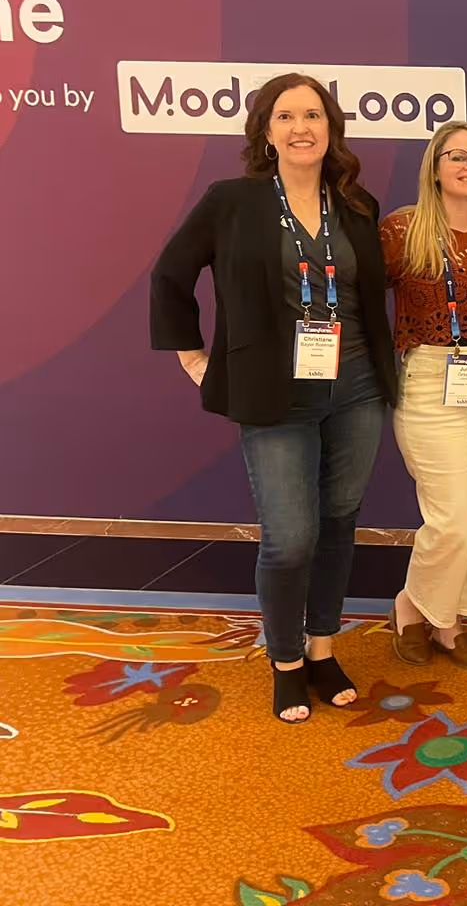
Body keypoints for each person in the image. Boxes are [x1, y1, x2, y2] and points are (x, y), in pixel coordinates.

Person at [149, 72, 397, 723]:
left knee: (339, 522)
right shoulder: (232, 200)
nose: (301, 127)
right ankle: (286, 661)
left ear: (331, 128)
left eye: (313, 114)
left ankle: (322, 649)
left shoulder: (357, 205)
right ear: (265, 130)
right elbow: (172, 272)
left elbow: (368, 294)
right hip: (274, 393)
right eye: (285, 115)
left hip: (357, 388)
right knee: (290, 539)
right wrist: (194, 357)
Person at [381, 122, 467, 671]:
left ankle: (442, 618)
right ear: (434, 166)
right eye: (458, 156)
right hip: (432, 379)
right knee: (455, 518)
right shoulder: (402, 230)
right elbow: (356, 295)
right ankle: (413, 607)